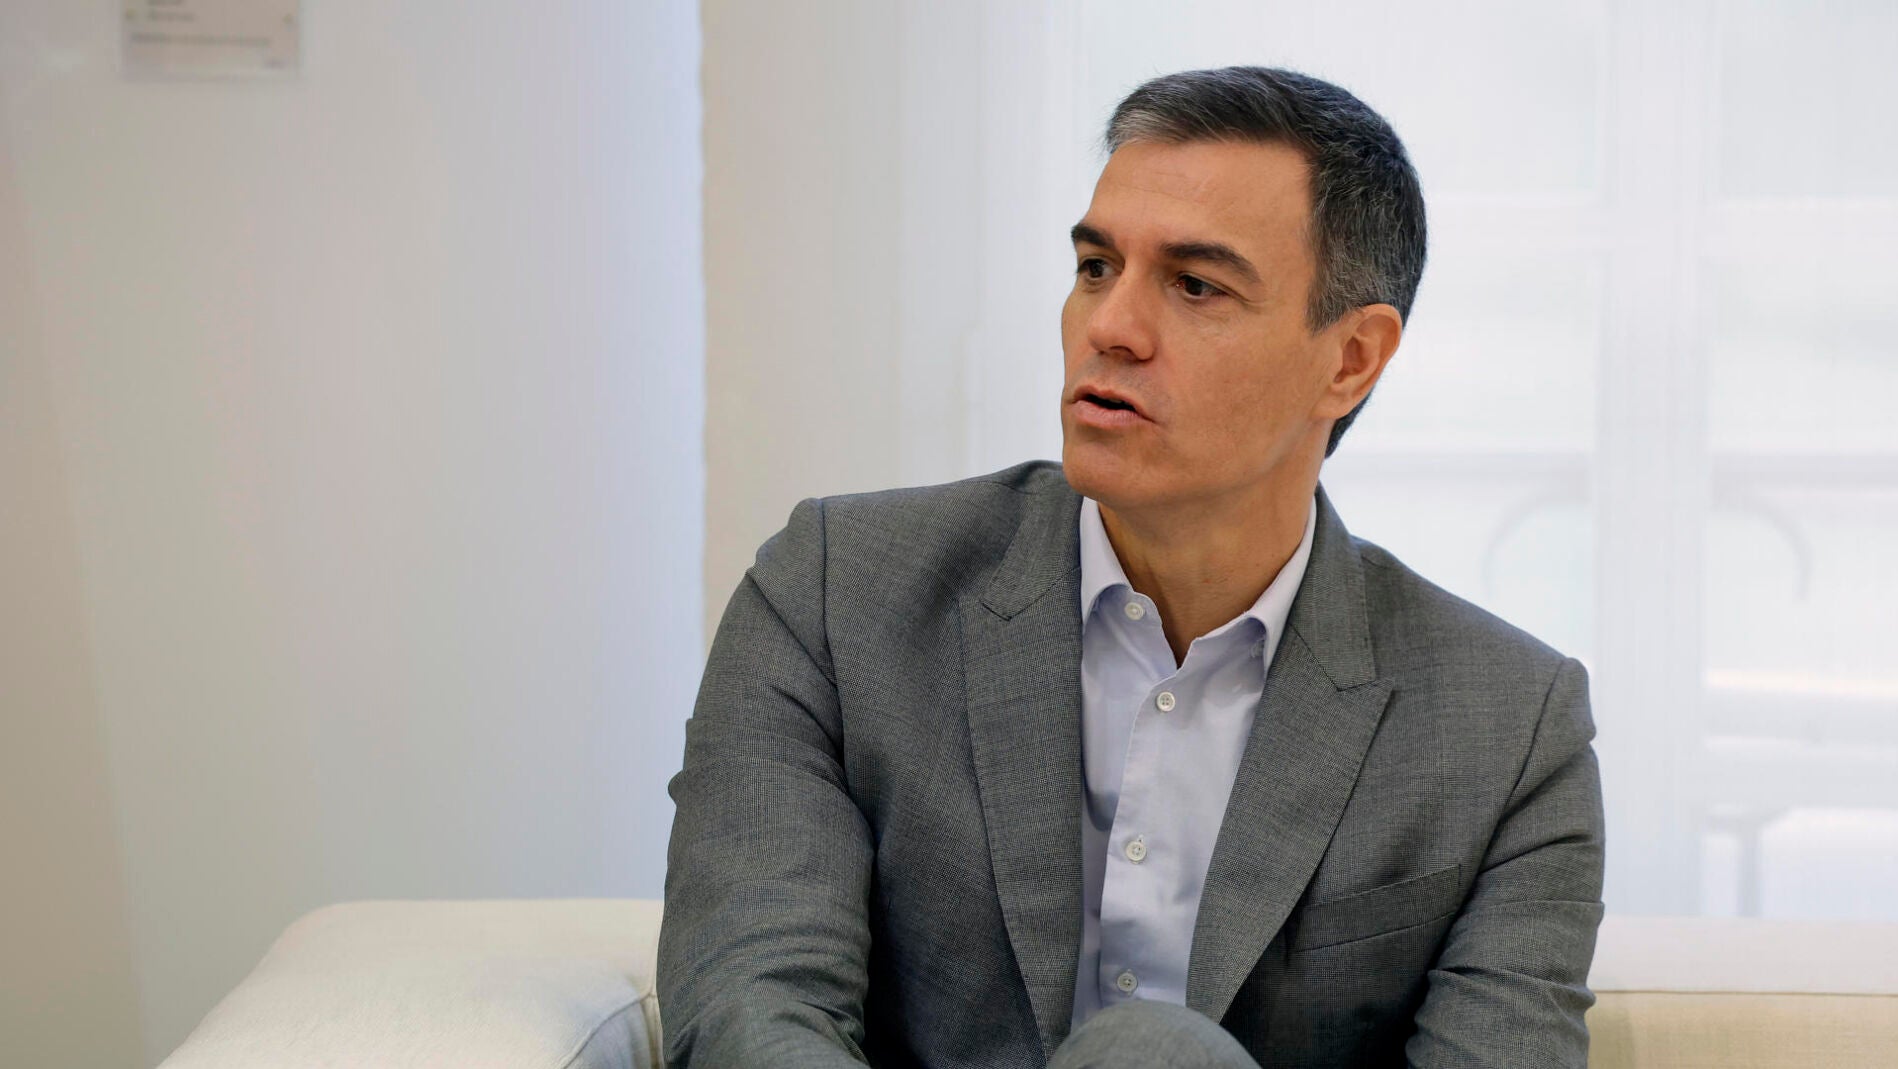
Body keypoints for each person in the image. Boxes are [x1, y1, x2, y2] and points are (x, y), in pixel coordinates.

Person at [658, 66, 1605, 1068]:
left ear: (1351, 358)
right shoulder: (834, 597)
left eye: (1195, 285)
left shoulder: (1509, 729)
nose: (1109, 326)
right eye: (1096, 266)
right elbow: (751, 1013)